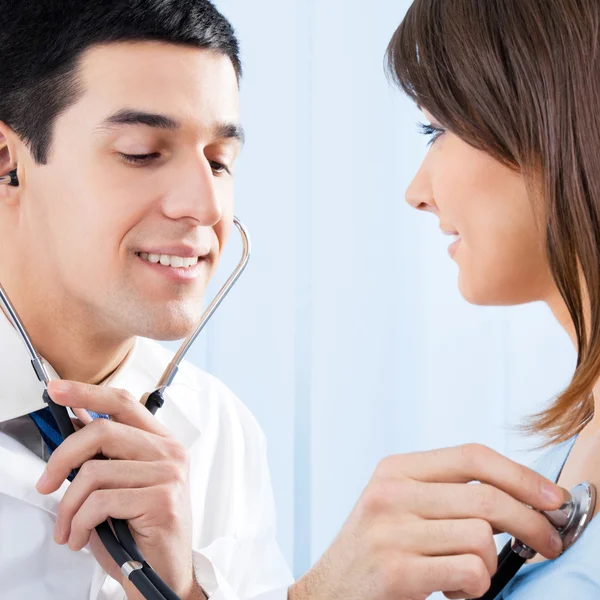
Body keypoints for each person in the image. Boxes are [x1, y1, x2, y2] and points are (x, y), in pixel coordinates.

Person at [0, 1, 581, 600]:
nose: (204, 206)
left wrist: (178, 592)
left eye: (220, 162)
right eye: (142, 152)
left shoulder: (219, 431)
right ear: (8, 162)